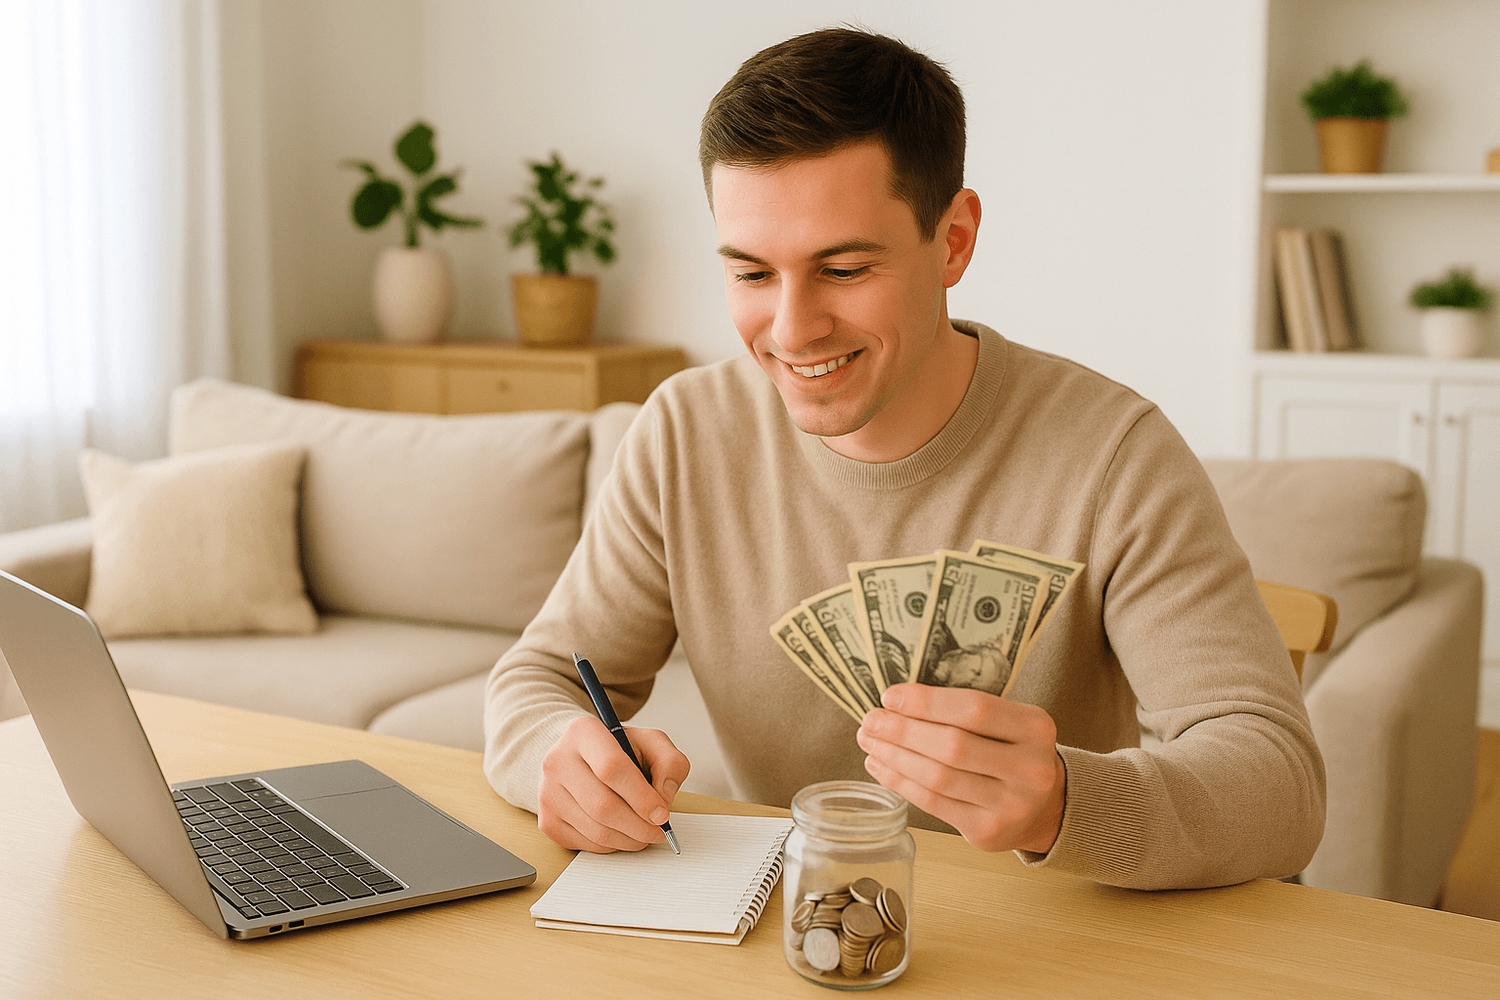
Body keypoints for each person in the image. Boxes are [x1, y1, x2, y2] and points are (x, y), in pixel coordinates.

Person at [483, 27, 1325, 891]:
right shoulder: (685, 432)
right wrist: (562, 758)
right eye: (750, 274)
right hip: (795, 930)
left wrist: (1068, 803)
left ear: (954, 238)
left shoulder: (1114, 455)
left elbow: (1280, 788)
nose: (792, 328)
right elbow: (541, 680)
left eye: (843, 269)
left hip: (1048, 941)